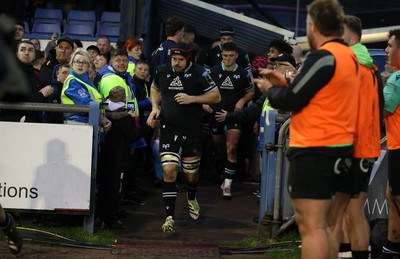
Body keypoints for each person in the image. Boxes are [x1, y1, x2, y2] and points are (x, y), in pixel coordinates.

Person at [253, 0, 359, 258]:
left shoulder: (324, 56)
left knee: (312, 228)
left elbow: (290, 100)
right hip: (340, 146)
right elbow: (315, 93)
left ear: (314, 26)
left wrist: (271, 90)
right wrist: (285, 83)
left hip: (316, 149)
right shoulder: (349, 56)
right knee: (325, 226)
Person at [147, 42, 221, 232]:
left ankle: (191, 197)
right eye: (174, 59)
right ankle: (169, 218)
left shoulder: (200, 73)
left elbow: (216, 96)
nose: (176, 63)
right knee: (169, 171)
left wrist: (193, 99)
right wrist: (155, 107)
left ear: (188, 59)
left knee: (190, 175)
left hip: (192, 131)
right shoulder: (163, 70)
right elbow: (155, 88)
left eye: (180, 60)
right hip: (169, 129)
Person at [337, 15, 383, 259]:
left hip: (357, 147)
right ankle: (345, 252)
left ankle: (356, 254)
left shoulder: (358, 66)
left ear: (352, 37)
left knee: (353, 210)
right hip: (360, 146)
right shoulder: (363, 65)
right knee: (346, 209)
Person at [205, 42, 254, 199]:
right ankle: (222, 170)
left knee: (231, 148)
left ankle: (227, 184)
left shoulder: (243, 73)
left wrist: (242, 100)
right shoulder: (213, 71)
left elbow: (251, 92)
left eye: (231, 56)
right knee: (220, 149)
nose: (228, 58)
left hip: (234, 115)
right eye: (225, 56)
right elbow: (202, 89)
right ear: (221, 56)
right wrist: (205, 103)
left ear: (236, 56)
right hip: (216, 114)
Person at [382, 28, 400, 258]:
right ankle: (392, 246)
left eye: (390, 46)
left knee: (395, 198)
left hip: (398, 147)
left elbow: (380, 111)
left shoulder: (397, 78)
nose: (386, 50)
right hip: (396, 146)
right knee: (391, 196)